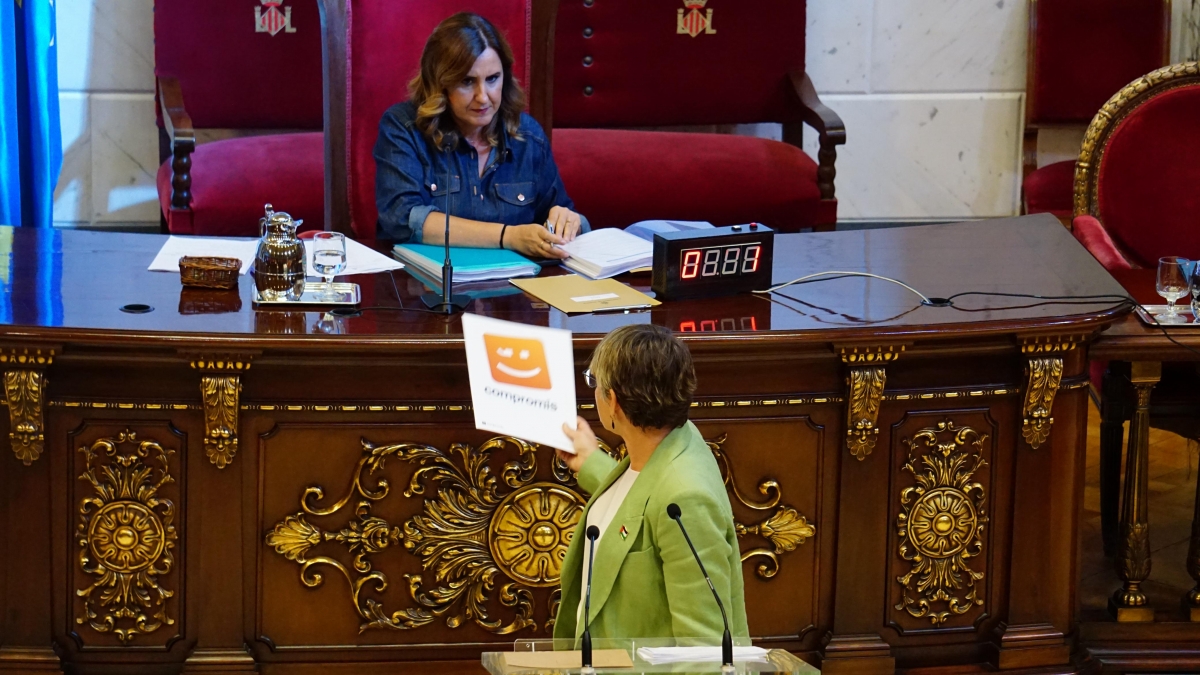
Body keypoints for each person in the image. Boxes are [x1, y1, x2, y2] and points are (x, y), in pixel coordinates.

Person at [553, 324, 749, 641]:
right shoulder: (676, 442)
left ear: (612, 400)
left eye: (594, 381)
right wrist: (592, 462)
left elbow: (704, 643)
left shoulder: (686, 498)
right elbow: (647, 496)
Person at [374, 12, 587, 259]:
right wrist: (509, 237)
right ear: (439, 83)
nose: (483, 97)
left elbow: (558, 214)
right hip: (425, 290)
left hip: (514, 287)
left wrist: (570, 222)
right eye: (467, 81)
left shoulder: (527, 135)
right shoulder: (403, 127)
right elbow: (402, 218)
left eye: (492, 79)